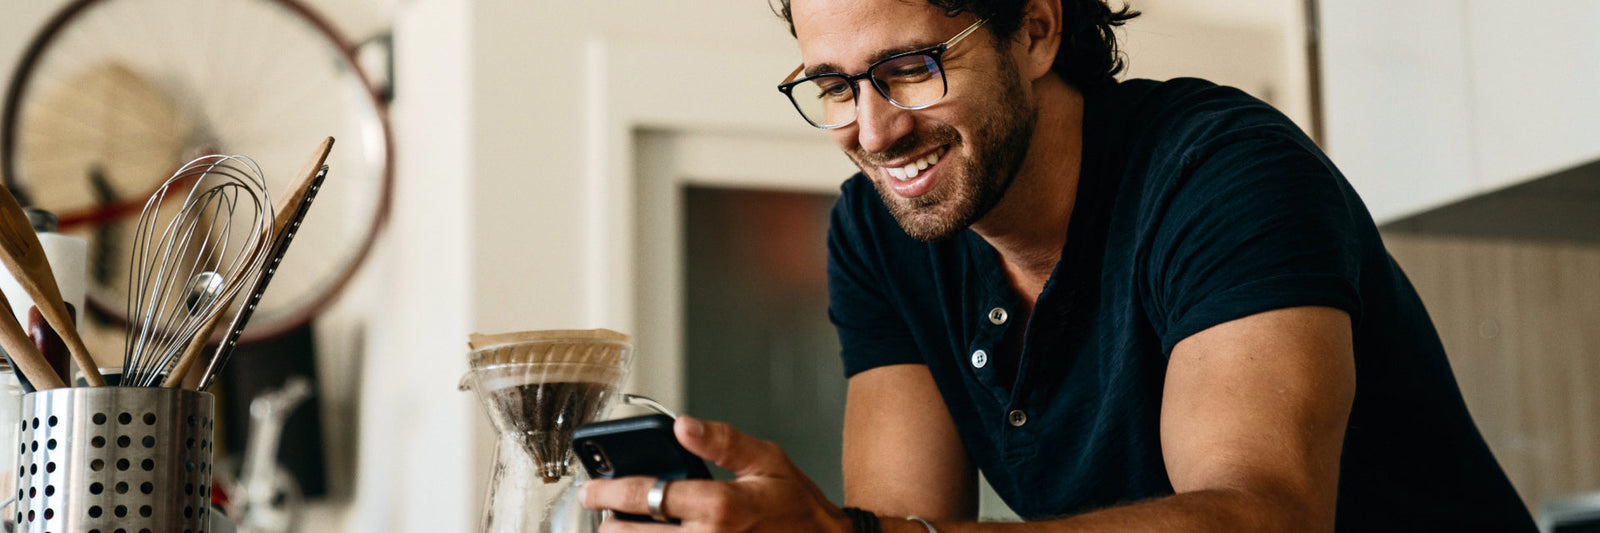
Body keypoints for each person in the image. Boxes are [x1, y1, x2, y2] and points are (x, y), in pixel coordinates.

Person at [581, 0, 1539, 530]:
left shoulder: (1222, 171)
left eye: (911, 68)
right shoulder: (878, 235)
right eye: (833, 86)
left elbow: (1264, 518)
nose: (873, 131)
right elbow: (902, 524)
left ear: (1035, 29)